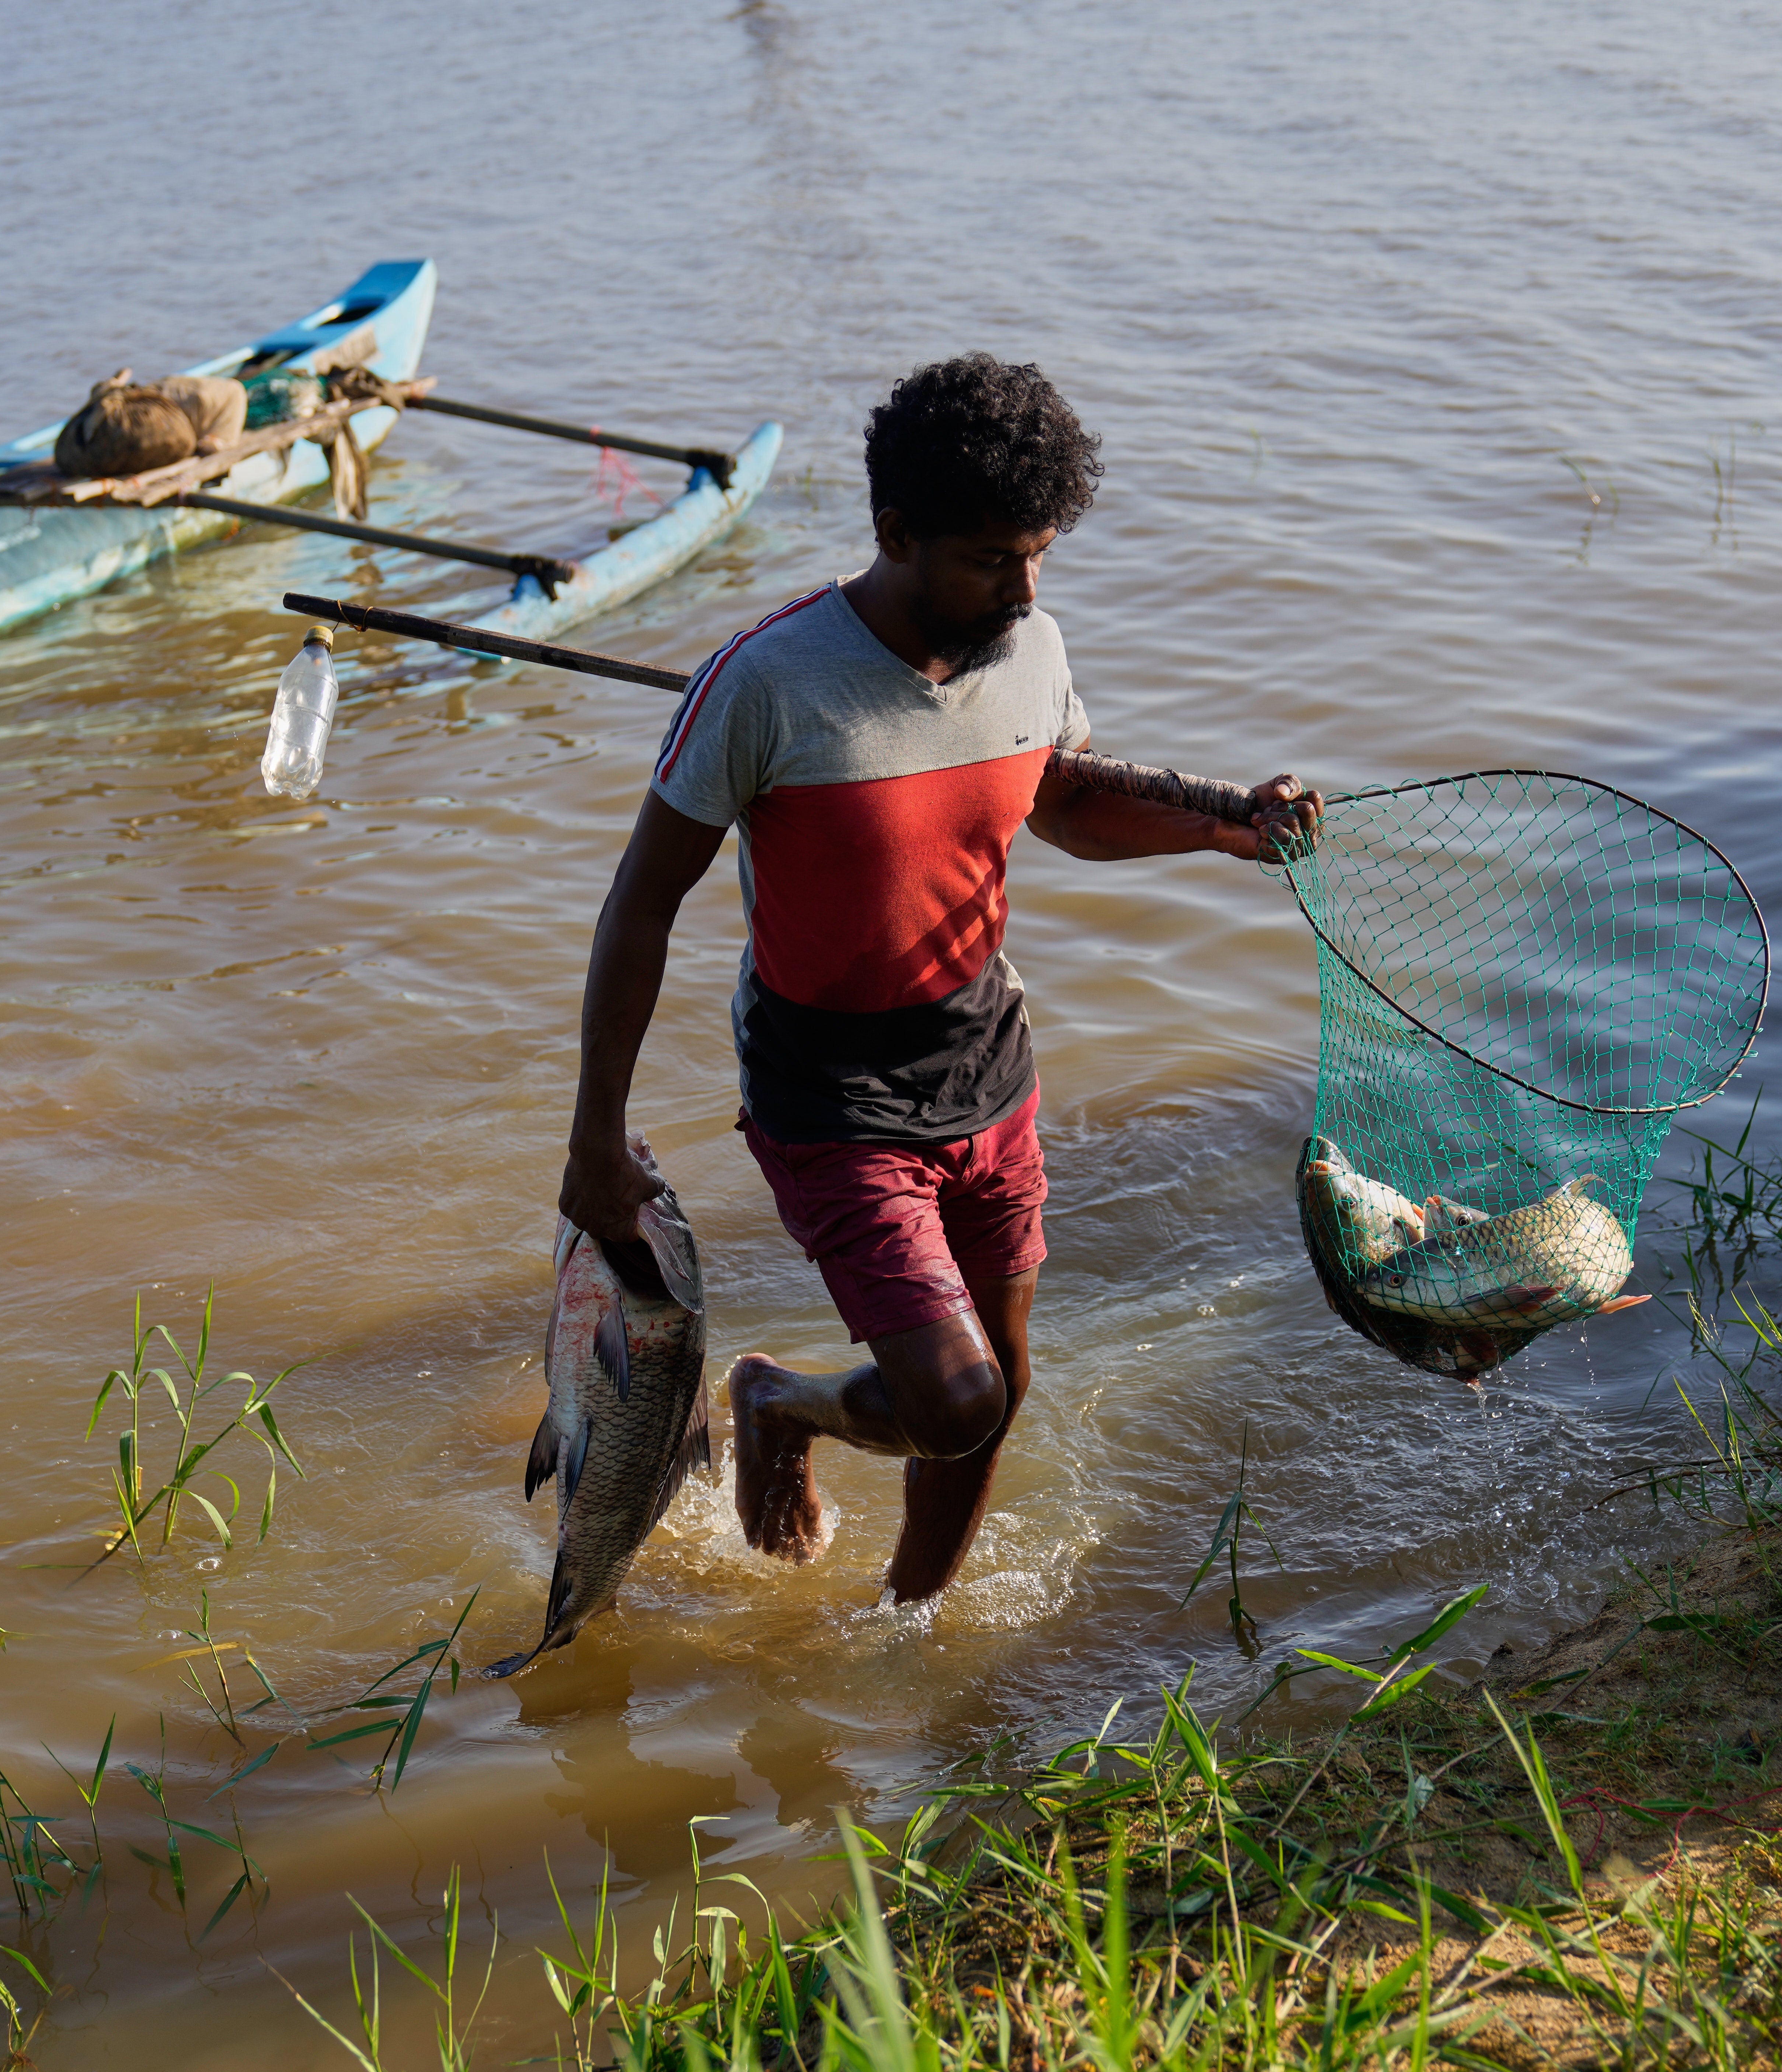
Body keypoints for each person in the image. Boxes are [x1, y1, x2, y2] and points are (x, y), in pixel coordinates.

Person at [555, 354, 1321, 1608]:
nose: (1022, 591)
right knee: (951, 1396)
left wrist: (1227, 827)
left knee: (994, 1397)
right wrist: (595, 1138)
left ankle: (912, 1645)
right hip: (829, 1091)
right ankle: (783, 1401)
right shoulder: (763, 683)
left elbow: (1063, 799)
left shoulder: (1029, 648)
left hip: (986, 1062)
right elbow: (642, 901)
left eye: (1040, 556)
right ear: (896, 534)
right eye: (989, 562)